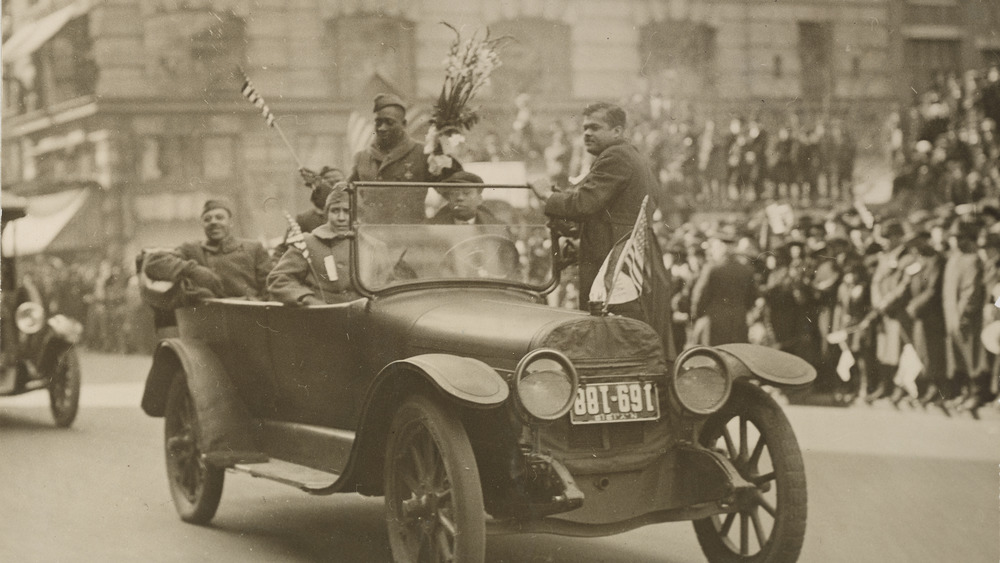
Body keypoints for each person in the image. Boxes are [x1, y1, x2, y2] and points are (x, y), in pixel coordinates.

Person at [529, 102, 657, 310]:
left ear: (617, 131)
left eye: (595, 127)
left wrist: (547, 195)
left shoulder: (616, 156)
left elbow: (584, 203)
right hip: (622, 259)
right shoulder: (629, 154)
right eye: (585, 128)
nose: (587, 134)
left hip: (613, 265)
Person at [268, 187, 392, 306]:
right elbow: (279, 279)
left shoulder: (375, 247)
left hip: (364, 319)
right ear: (327, 213)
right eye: (335, 211)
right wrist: (306, 299)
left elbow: (388, 287)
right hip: (322, 316)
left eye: (347, 211)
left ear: (358, 215)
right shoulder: (308, 242)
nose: (341, 218)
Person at [348, 93, 458, 224]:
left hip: (410, 237)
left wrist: (443, 152)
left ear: (404, 124)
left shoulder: (423, 154)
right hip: (372, 236)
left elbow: (455, 189)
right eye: (378, 122)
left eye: (389, 122)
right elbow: (347, 196)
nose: (382, 128)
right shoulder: (362, 158)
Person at [142, 199, 272, 303]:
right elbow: (153, 264)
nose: (213, 222)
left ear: (230, 222)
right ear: (202, 224)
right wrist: (193, 270)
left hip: (250, 316)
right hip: (208, 321)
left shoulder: (253, 248)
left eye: (219, 217)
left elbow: (270, 288)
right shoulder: (191, 249)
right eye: (207, 219)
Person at [690, 230, 759, 346]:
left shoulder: (713, 269)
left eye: (715, 248)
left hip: (716, 322)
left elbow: (701, 296)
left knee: (717, 356)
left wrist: (696, 316)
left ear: (721, 248)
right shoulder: (746, 270)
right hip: (739, 321)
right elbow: (752, 298)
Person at [428, 171, 501, 225]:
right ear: (448, 199)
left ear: (479, 199)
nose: (460, 198)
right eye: (454, 193)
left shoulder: (496, 226)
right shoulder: (432, 226)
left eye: (467, 193)